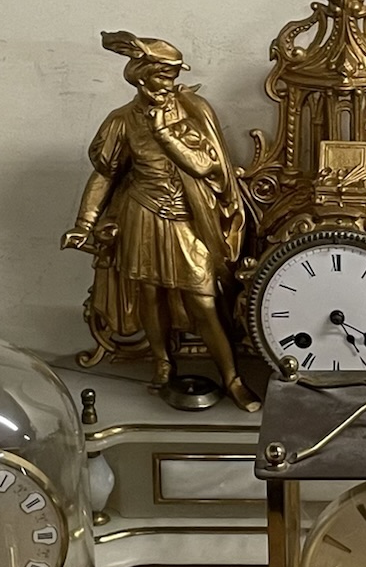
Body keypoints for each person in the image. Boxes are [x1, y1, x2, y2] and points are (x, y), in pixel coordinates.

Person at [63, 33, 255, 410]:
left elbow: (205, 165)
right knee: (148, 294)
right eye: (160, 78)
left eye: (170, 78)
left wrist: (164, 132)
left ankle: (231, 378)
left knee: (203, 301)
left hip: (188, 220)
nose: (167, 85)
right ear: (141, 77)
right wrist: (84, 223)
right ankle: (162, 362)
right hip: (142, 214)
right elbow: (105, 174)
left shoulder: (194, 110)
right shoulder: (121, 121)